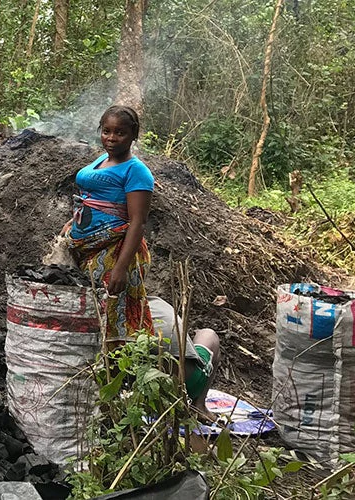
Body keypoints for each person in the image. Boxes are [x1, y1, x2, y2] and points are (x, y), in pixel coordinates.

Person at [65, 105, 154, 343]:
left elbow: (138, 222)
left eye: (120, 133)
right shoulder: (102, 159)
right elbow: (93, 199)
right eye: (106, 131)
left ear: (134, 135)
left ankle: (116, 373)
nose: (111, 138)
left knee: (112, 319)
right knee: (89, 315)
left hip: (114, 252)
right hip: (87, 248)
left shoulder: (137, 172)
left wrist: (121, 268)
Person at [148, 296, 221, 422]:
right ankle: (199, 406)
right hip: (188, 384)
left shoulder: (114, 313)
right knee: (208, 334)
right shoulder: (152, 303)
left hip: (146, 393)